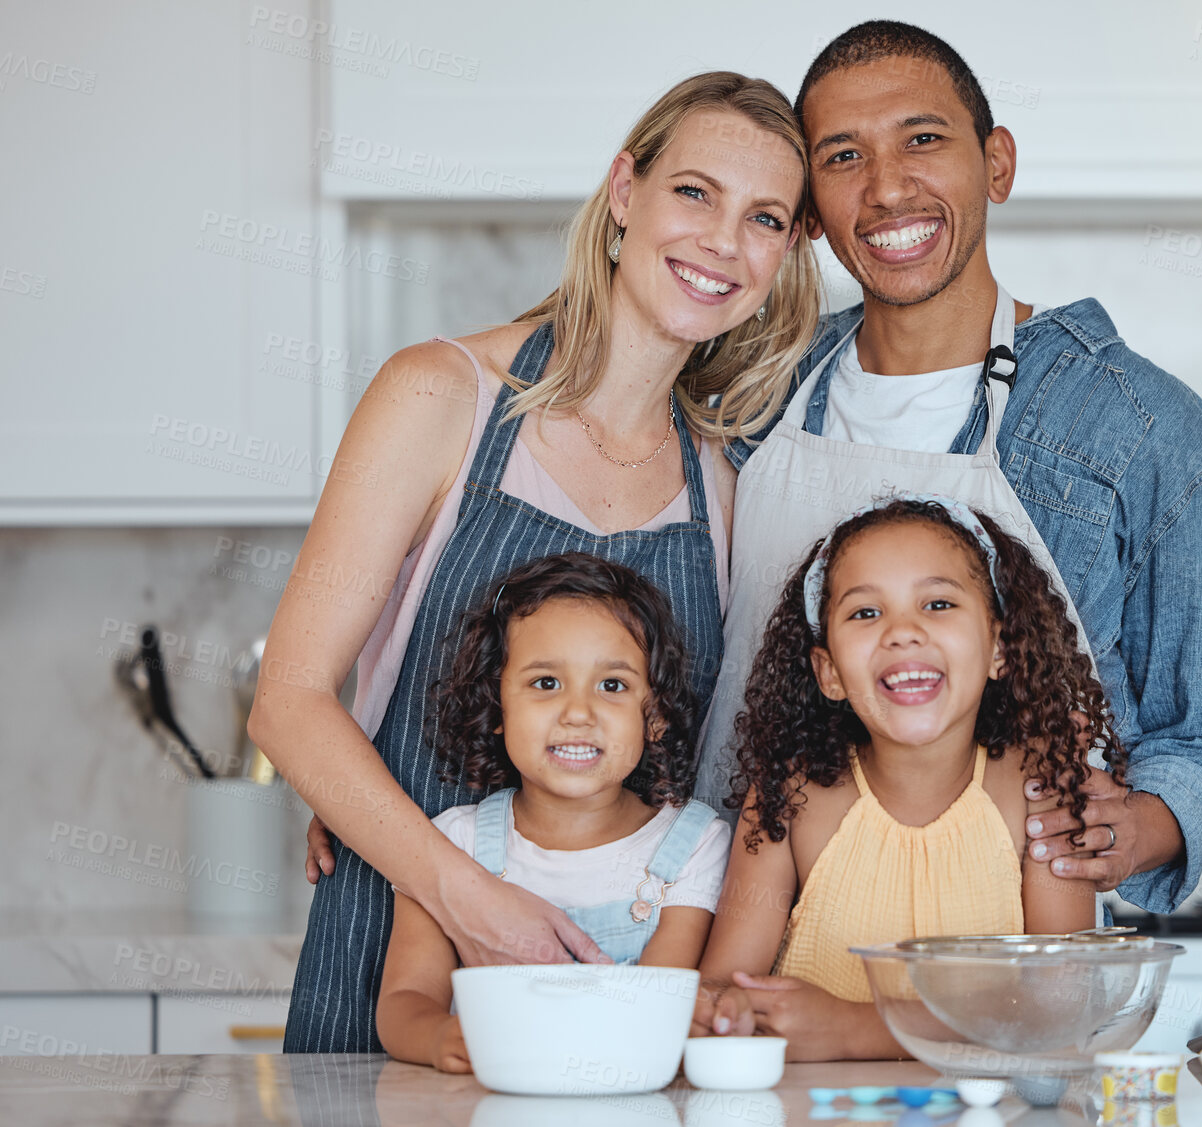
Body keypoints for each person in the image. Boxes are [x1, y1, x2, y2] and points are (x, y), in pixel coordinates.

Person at [253, 70, 822, 1052]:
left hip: (622, 993)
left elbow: (701, 772)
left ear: (783, 254)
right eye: (694, 191)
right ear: (623, 191)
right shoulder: (438, 398)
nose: (723, 242)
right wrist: (465, 891)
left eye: (764, 218)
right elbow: (288, 702)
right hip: (399, 952)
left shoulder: (724, 484)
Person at [694, 22, 1202, 915]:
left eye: (922, 139)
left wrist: (1132, 826)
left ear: (995, 162)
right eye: (842, 157)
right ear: (809, 208)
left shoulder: (1141, 428)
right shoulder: (748, 393)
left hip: (1009, 974)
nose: (887, 189)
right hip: (751, 971)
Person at [691, 495, 1114, 1060]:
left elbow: (1064, 1006)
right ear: (830, 672)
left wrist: (853, 1029)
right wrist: (727, 1015)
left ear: (1000, 647)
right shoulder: (785, 798)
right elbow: (725, 985)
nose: (902, 631)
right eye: (866, 613)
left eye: (937, 603)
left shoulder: (1044, 789)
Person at [377, 554, 730, 1072]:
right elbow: (404, 1001)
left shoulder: (693, 845)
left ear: (653, 716)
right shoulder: (454, 846)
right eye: (546, 683)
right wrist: (439, 1039)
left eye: (613, 686)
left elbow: (654, 1017)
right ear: (497, 707)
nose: (578, 713)